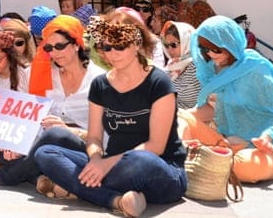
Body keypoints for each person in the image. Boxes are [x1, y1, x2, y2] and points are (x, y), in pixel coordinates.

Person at [32, 12, 187, 218]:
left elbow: (156, 146)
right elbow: (94, 138)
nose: (113, 53)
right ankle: (116, 200)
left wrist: (105, 164)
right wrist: (96, 159)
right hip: (112, 164)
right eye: (106, 47)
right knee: (46, 153)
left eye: (120, 46)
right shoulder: (101, 84)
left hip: (160, 168)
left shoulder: (159, 82)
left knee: (140, 160)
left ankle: (78, 187)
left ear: (137, 44)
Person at [0, 15, 105, 187]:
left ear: (77, 44)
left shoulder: (99, 79)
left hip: (85, 144)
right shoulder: (41, 73)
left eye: (60, 46)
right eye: (49, 47)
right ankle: (37, 178)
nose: (54, 53)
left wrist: (69, 131)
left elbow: (107, 135)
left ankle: (6, 177)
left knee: (55, 135)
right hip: (41, 144)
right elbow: (28, 114)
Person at [177, 15, 273, 183]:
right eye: (204, 49)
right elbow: (212, 109)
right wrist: (181, 117)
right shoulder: (213, 69)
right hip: (226, 142)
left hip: (260, 147)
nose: (210, 54)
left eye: (216, 49)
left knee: (245, 167)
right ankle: (183, 161)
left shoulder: (257, 69)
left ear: (230, 44)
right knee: (179, 117)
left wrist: (266, 138)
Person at [160, 20, 199, 110]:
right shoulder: (172, 65)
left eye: (173, 45)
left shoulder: (197, 66)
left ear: (187, 41)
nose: (169, 50)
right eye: (166, 45)